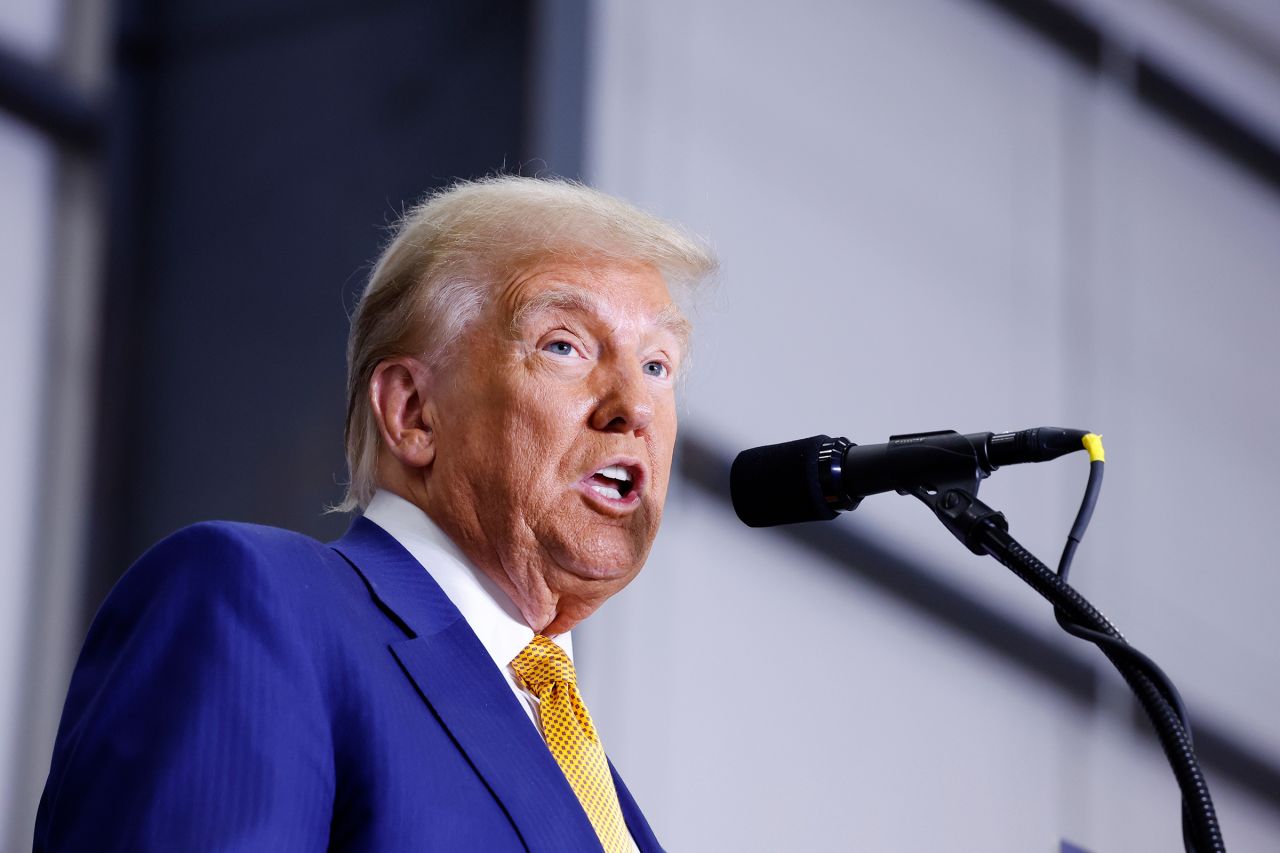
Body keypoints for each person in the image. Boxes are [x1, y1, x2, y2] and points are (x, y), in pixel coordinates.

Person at [33, 176, 717, 851]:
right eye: (563, 345)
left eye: (659, 364)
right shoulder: (259, 602)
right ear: (414, 412)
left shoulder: (601, 796)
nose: (635, 405)